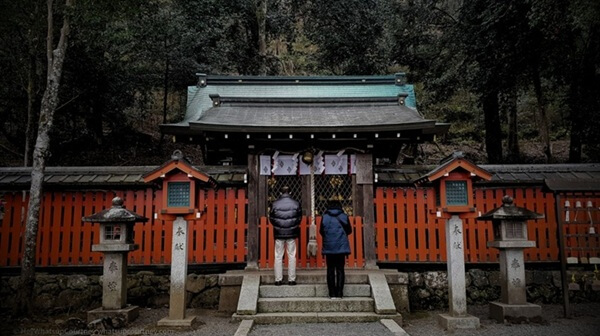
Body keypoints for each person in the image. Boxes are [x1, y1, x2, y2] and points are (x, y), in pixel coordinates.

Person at [269, 185, 302, 286]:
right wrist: (293, 226)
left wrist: (277, 226)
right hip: (291, 232)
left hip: (279, 233)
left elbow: (271, 218)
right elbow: (299, 218)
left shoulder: (275, 204)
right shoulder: (296, 204)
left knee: (278, 255)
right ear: (290, 193)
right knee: (292, 255)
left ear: (280, 193)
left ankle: (278, 279)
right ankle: (291, 279)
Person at [320, 200, 352, 299]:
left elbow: (321, 231)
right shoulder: (344, 216)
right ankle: (340, 293)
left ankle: (332, 293)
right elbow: (349, 230)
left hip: (329, 246)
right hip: (341, 247)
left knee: (330, 269)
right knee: (340, 270)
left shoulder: (324, 217)